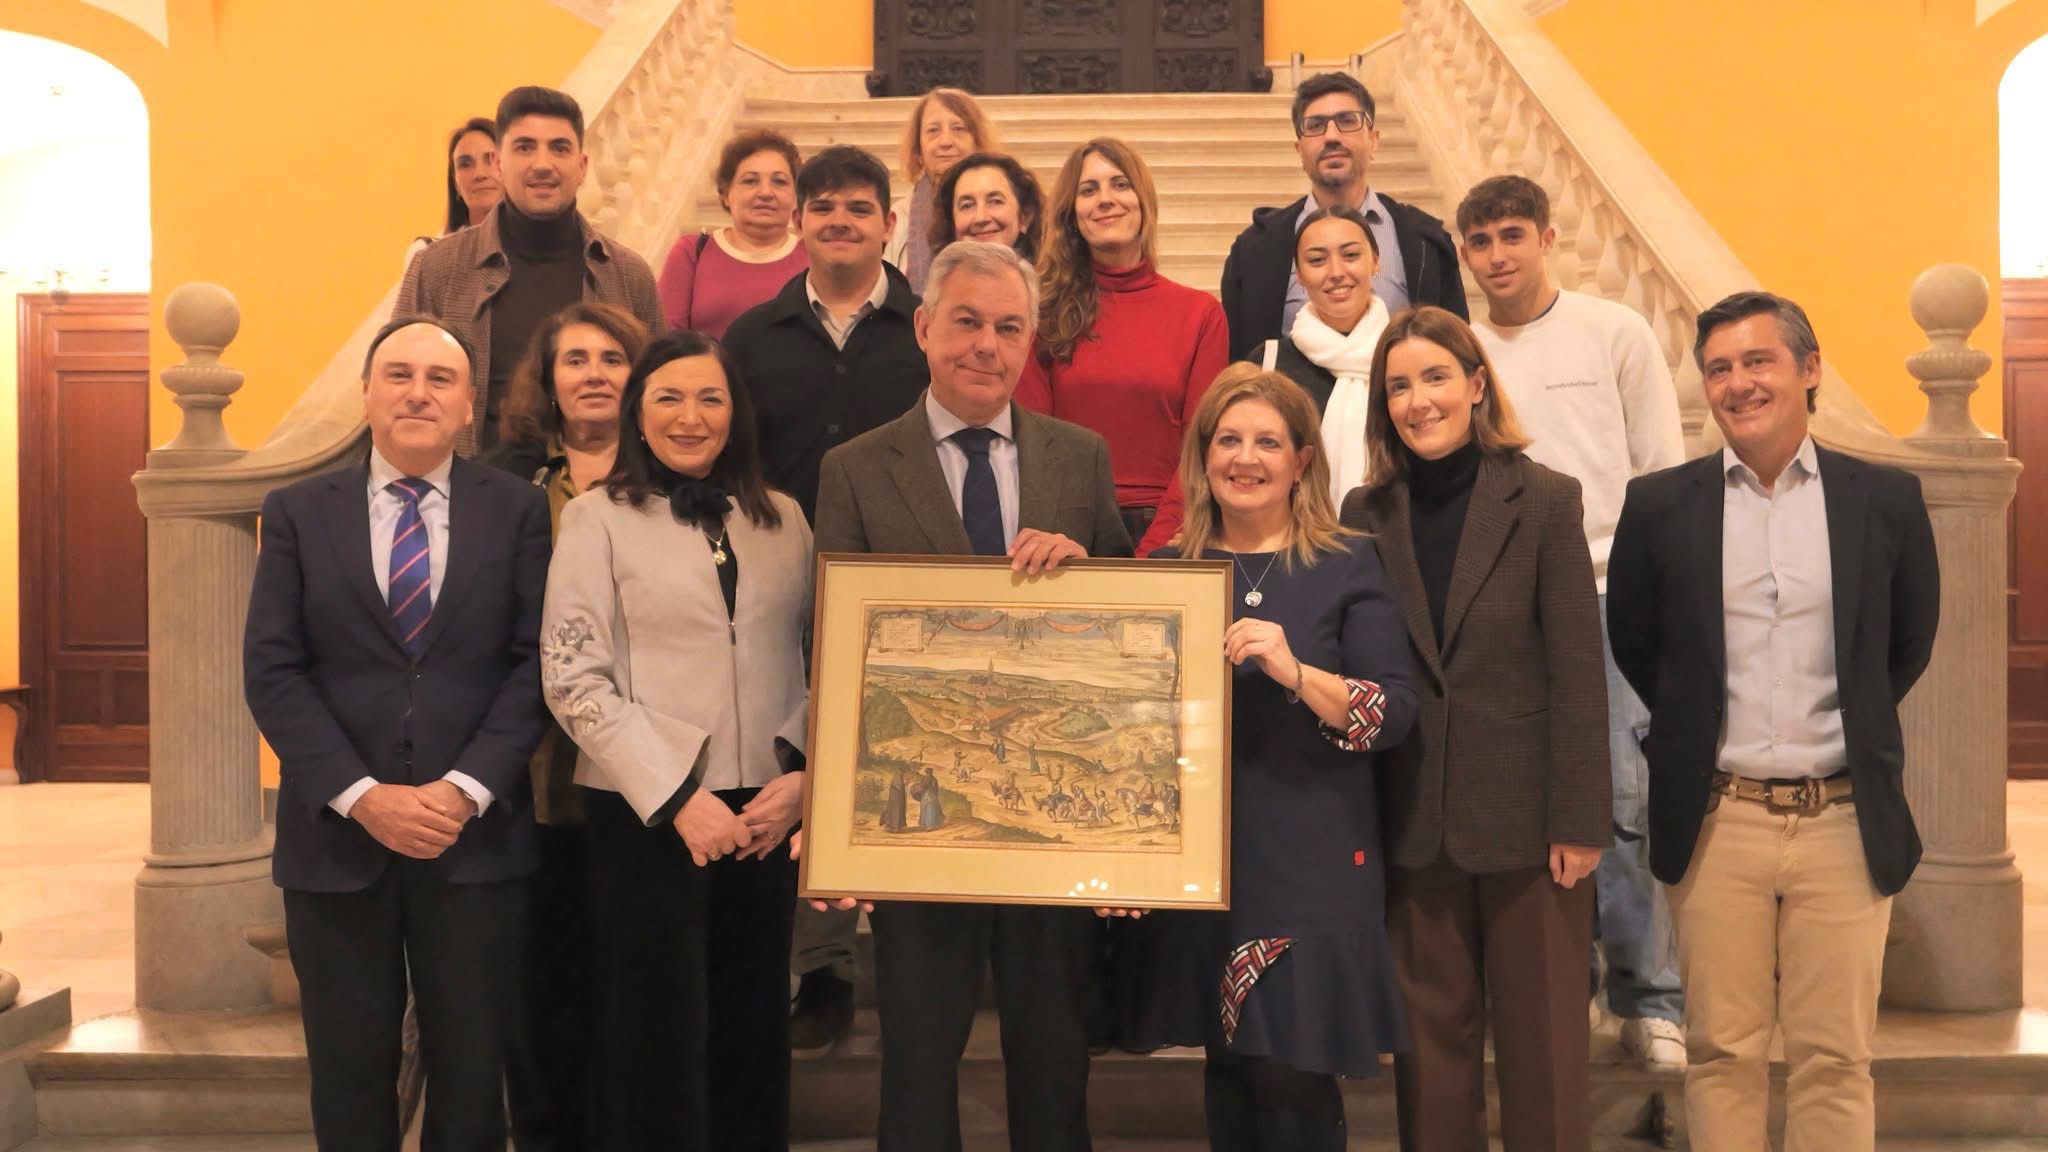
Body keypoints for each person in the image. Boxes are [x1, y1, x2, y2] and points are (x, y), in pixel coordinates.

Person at [810, 240, 1130, 1152]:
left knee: (1054, 1054)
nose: (986, 344)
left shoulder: (1080, 457)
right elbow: (829, 647)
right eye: (966, 322)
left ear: (1030, 341)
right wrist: (841, 823)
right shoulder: (857, 468)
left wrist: (1087, 573)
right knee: (916, 1057)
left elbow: (1129, 621)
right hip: (918, 831)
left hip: (1052, 849)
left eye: (1008, 327)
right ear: (922, 327)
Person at [1606, 292, 1941, 1152]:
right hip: (1719, 819)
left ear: (1809, 369)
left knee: (1837, 1058)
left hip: (1842, 818)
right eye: (1719, 368)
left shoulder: (1885, 499)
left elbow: (1906, 643)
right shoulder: (1660, 505)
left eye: (1758, 361)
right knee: (1722, 1052)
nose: (1738, 383)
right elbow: (1640, 646)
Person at [244, 316, 551, 1152]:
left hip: (475, 838)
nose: (418, 393)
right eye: (399, 375)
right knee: (349, 1072)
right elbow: (273, 670)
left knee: (472, 1073)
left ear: (468, 407)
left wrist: (463, 790)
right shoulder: (298, 512)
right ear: (367, 395)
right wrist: (362, 796)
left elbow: (534, 663)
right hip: (337, 839)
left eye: (439, 379)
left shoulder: (517, 511)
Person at [1126, 365, 1418, 1151]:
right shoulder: (1166, 573)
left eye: (1267, 442)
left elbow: (1391, 713)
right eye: (1228, 440)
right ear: (1203, 457)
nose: (1245, 458)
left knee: (1293, 1074)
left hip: (1312, 860)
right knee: (1231, 1074)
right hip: (1204, 867)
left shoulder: (1348, 562)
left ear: (1302, 461)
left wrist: (1297, 673)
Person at [1340, 306, 1610, 1152]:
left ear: (1477, 386)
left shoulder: (1546, 499)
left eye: (1435, 378)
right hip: (1414, 820)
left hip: (1533, 829)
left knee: (1546, 1057)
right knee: (1430, 1066)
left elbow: (1578, 669)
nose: (1418, 401)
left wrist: (1580, 819)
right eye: (1398, 386)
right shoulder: (1365, 510)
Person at [542, 328, 812, 1150]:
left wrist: (803, 776)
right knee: (653, 1033)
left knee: (754, 1023)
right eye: (668, 397)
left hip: (765, 810)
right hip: (647, 809)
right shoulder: (595, 518)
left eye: (709, 398)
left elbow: (826, 656)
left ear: (736, 415)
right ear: (638, 413)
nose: (689, 417)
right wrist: (676, 797)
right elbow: (571, 676)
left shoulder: (784, 519)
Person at [1453, 173, 1689, 1071]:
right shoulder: (1461, 350)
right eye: (1480, 242)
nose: (1497, 256)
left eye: (1512, 235)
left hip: (1604, 590)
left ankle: (1650, 996)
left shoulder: (1615, 332)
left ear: (1549, 238)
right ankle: (1570, 977)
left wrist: (1656, 597)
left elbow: (1661, 475)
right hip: (1500, 603)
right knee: (1528, 799)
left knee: (1623, 797)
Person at [722, 145, 931, 1052]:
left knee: (894, 754)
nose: (840, 220)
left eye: (858, 207)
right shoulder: (752, 337)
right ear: (799, 221)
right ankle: (814, 963)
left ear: (889, 223)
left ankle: (880, 954)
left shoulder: (926, 329)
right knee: (794, 753)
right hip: (779, 578)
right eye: (824, 207)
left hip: (902, 578)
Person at [479, 300, 648, 1151]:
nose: (594, 374)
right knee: (540, 983)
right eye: (575, 359)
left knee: (632, 983)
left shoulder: (672, 482)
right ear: (547, 380)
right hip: (533, 771)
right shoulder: (505, 487)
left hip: (648, 768)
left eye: (612, 358)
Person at [398, 85, 663, 456]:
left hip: (597, 484)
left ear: (582, 166)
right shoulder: (437, 268)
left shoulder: (629, 276)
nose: (542, 164)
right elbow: (396, 386)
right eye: (525, 147)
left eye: (559, 148)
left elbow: (656, 393)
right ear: (499, 163)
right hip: (467, 483)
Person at [1019, 137, 1229, 557]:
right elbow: (1032, 442)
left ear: (1143, 200)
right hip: (1064, 531)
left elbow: (1202, 446)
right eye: (1088, 189)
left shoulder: (1201, 314)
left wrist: (1152, 554)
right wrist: (1069, 540)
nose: (1105, 199)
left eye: (1120, 184)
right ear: (1071, 213)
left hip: (1171, 530)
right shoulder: (1038, 313)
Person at [1220, 72, 1466, 363]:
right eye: (1315, 125)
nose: (1332, 136)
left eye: (1347, 121)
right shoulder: (1255, 250)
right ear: (1300, 149)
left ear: (1374, 141)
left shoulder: (1425, 242)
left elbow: (1457, 352)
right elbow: (1239, 365)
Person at [1246, 206, 1391, 505]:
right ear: (1299, 275)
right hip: (1294, 527)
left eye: (1351, 255)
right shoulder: (1268, 365)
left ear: (1375, 261)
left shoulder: (1404, 356)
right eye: (1317, 260)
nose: (1336, 272)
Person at [657, 129, 809, 338]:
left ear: (796, 195)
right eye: (750, 181)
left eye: (779, 182)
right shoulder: (692, 252)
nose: (765, 193)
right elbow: (668, 341)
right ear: (725, 194)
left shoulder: (813, 256)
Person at [884, 86, 997, 292]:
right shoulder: (898, 217)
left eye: (958, 129)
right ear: (919, 152)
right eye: (933, 131)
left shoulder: (998, 212)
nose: (945, 142)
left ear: (978, 144)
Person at [408, 118, 501, 265]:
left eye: (491, 160)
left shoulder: (538, 247)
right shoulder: (427, 256)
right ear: (455, 183)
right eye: (465, 164)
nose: (479, 173)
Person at [928, 151, 1046, 264]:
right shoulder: (937, 277)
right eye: (967, 205)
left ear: (1025, 216)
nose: (981, 218)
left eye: (995, 202)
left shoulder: (1046, 278)